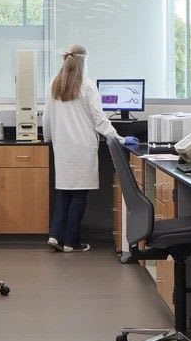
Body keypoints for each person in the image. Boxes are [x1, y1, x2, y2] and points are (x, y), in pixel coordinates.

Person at [43, 45, 133, 253]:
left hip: (63, 147)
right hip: (82, 147)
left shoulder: (54, 85)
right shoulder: (87, 86)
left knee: (64, 192)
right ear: (84, 62)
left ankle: (55, 235)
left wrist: (48, 139)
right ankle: (71, 242)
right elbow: (99, 120)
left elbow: (46, 119)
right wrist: (119, 138)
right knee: (78, 195)